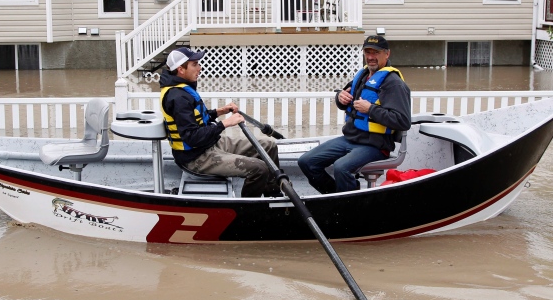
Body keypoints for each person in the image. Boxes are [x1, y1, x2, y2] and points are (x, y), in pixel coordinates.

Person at [159, 47, 281, 198]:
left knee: (269, 146)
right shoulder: (177, 97)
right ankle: (248, 211)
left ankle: (274, 195)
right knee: (259, 168)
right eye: (195, 64)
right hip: (196, 158)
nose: (200, 67)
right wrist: (225, 123)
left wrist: (220, 111)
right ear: (181, 70)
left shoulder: (182, 90)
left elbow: (197, 118)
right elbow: (192, 137)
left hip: (210, 144)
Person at [297, 35, 411, 193]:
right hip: (350, 138)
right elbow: (345, 101)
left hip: (375, 145)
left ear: (387, 54)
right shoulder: (364, 76)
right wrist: (340, 97)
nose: (371, 57)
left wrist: (370, 109)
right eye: (367, 52)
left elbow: (403, 121)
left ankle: (349, 206)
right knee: (306, 161)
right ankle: (335, 197)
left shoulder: (393, 84)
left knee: (341, 167)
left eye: (376, 53)